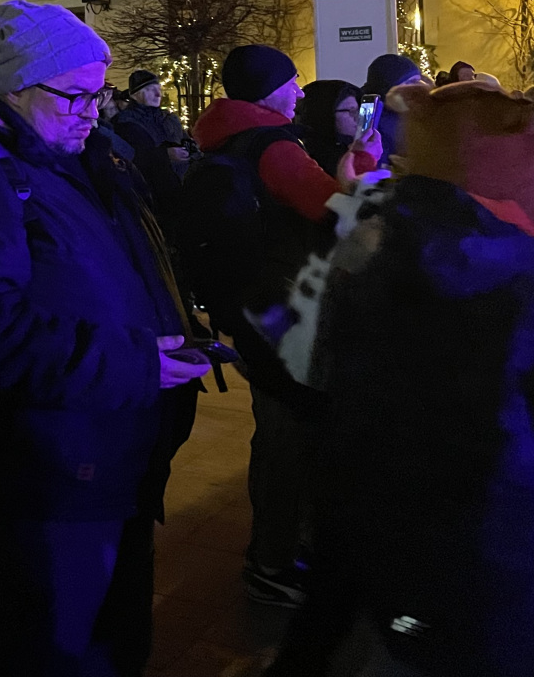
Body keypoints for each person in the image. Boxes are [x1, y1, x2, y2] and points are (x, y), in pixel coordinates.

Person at [0, 2, 206, 676]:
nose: (90, 112)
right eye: (74, 95)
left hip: (117, 448)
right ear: (18, 89)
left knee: (117, 639)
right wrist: (133, 361)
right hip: (56, 469)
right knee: (62, 649)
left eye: (98, 95)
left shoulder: (90, 162)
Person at [274, 81, 534, 677]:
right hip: (474, 520)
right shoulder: (506, 261)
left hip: (370, 488)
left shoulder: (382, 230)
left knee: (336, 618)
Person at [186, 44, 381, 608]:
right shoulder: (274, 146)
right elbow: (336, 211)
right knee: (289, 434)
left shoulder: (227, 140)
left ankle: (277, 552)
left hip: (251, 306)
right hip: (282, 309)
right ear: (268, 88)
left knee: (278, 427)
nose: (298, 90)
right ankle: (273, 561)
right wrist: (362, 166)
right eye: (291, 81)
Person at [113, 70, 190, 223]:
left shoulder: (169, 119)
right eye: (150, 89)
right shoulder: (125, 123)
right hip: (152, 198)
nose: (158, 94)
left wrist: (191, 150)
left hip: (179, 192)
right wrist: (165, 155)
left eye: (159, 89)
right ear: (135, 95)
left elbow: (186, 141)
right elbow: (132, 157)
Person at [361, 52, 426, 167]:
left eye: (418, 81)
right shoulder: (372, 120)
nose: (416, 88)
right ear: (389, 87)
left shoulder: (414, 113)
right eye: (410, 82)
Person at [294, 80, 359, 178]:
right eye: (351, 111)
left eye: (358, 111)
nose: (357, 117)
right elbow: (356, 187)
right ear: (326, 116)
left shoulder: (347, 147)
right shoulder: (321, 163)